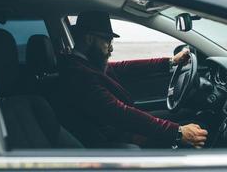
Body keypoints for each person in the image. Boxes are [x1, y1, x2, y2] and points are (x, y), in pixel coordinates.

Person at [61, 11, 208, 148]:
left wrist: (171, 61)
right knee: (200, 125)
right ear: (89, 39)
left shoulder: (87, 64)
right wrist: (178, 132)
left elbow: (126, 67)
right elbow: (118, 113)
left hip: (122, 130)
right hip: (118, 137)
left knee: (187, 114)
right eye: (107, 41)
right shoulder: (78, 74)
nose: (111, 48)